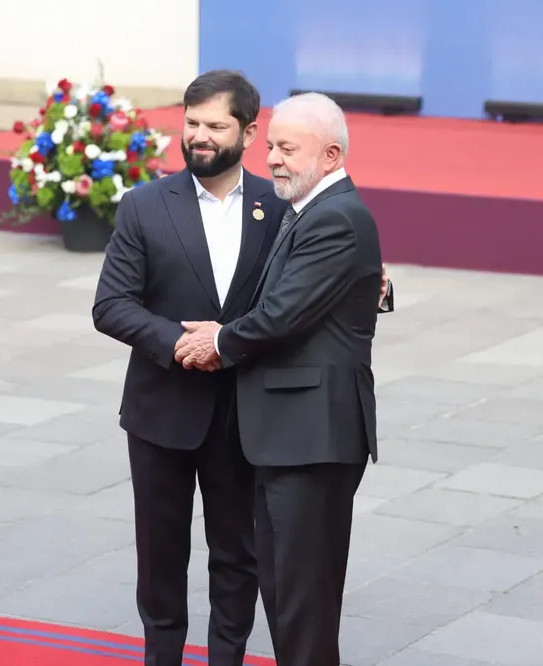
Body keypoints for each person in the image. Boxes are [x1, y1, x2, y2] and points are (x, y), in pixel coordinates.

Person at [175, 92, 389, 666]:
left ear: (331, 154)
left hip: (312, 439)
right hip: (289, 437)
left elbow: (281, 315)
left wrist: (218, 341)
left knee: (303, 599)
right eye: (270, 146)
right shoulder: (307, 209)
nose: (271, 158)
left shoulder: (335, 218)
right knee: (285, 589)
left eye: (287, 149)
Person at [91, 70, 287, 666]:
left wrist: (375, 289)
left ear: (248, 133)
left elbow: (296, 301)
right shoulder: (144, 205)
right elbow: (111, 305)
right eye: (192, 123)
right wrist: (184, 344)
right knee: (160, 555)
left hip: (242, 415)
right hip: (161, 413)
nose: (199, 136)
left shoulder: (280, 208)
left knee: (238, 555)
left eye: (215, 126)